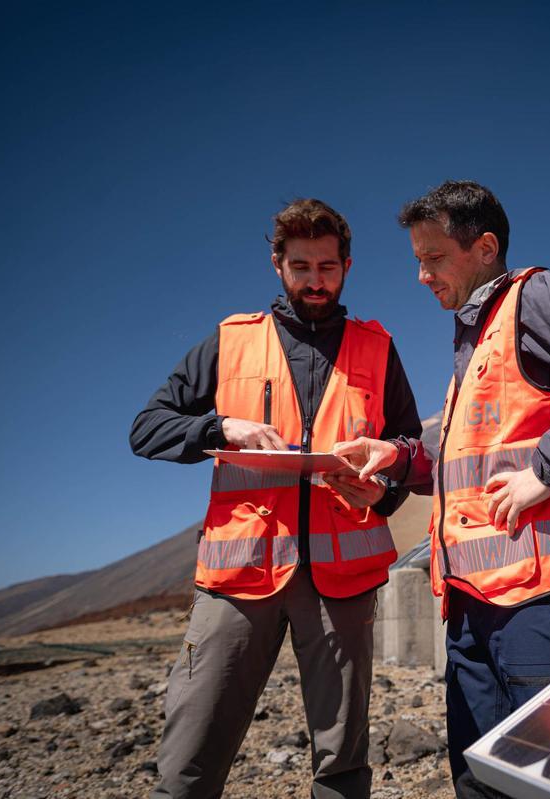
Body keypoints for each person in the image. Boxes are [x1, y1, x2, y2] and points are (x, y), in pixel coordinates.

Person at [335, 181, 550, 797]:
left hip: (542, 599)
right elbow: (457, 462)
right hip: (471, 606)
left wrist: (546, 469)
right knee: (482, 778)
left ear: (483, 247)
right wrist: (393, 457)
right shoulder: (474, 342)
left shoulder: (538, 299)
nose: (421, 276)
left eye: (432, 259)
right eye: (416, 261)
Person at [130, 198, 422, 799]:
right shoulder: (230, 342)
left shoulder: (377, 348)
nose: (316, 281)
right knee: (190, 755)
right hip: (238, 579)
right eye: (301, 267)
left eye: (328, 268)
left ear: (347, 266)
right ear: (277, 264)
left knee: (342, 762)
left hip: (342, 581)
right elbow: (147, 428)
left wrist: (383, 490)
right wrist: (219, 428)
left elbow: (409, 451)